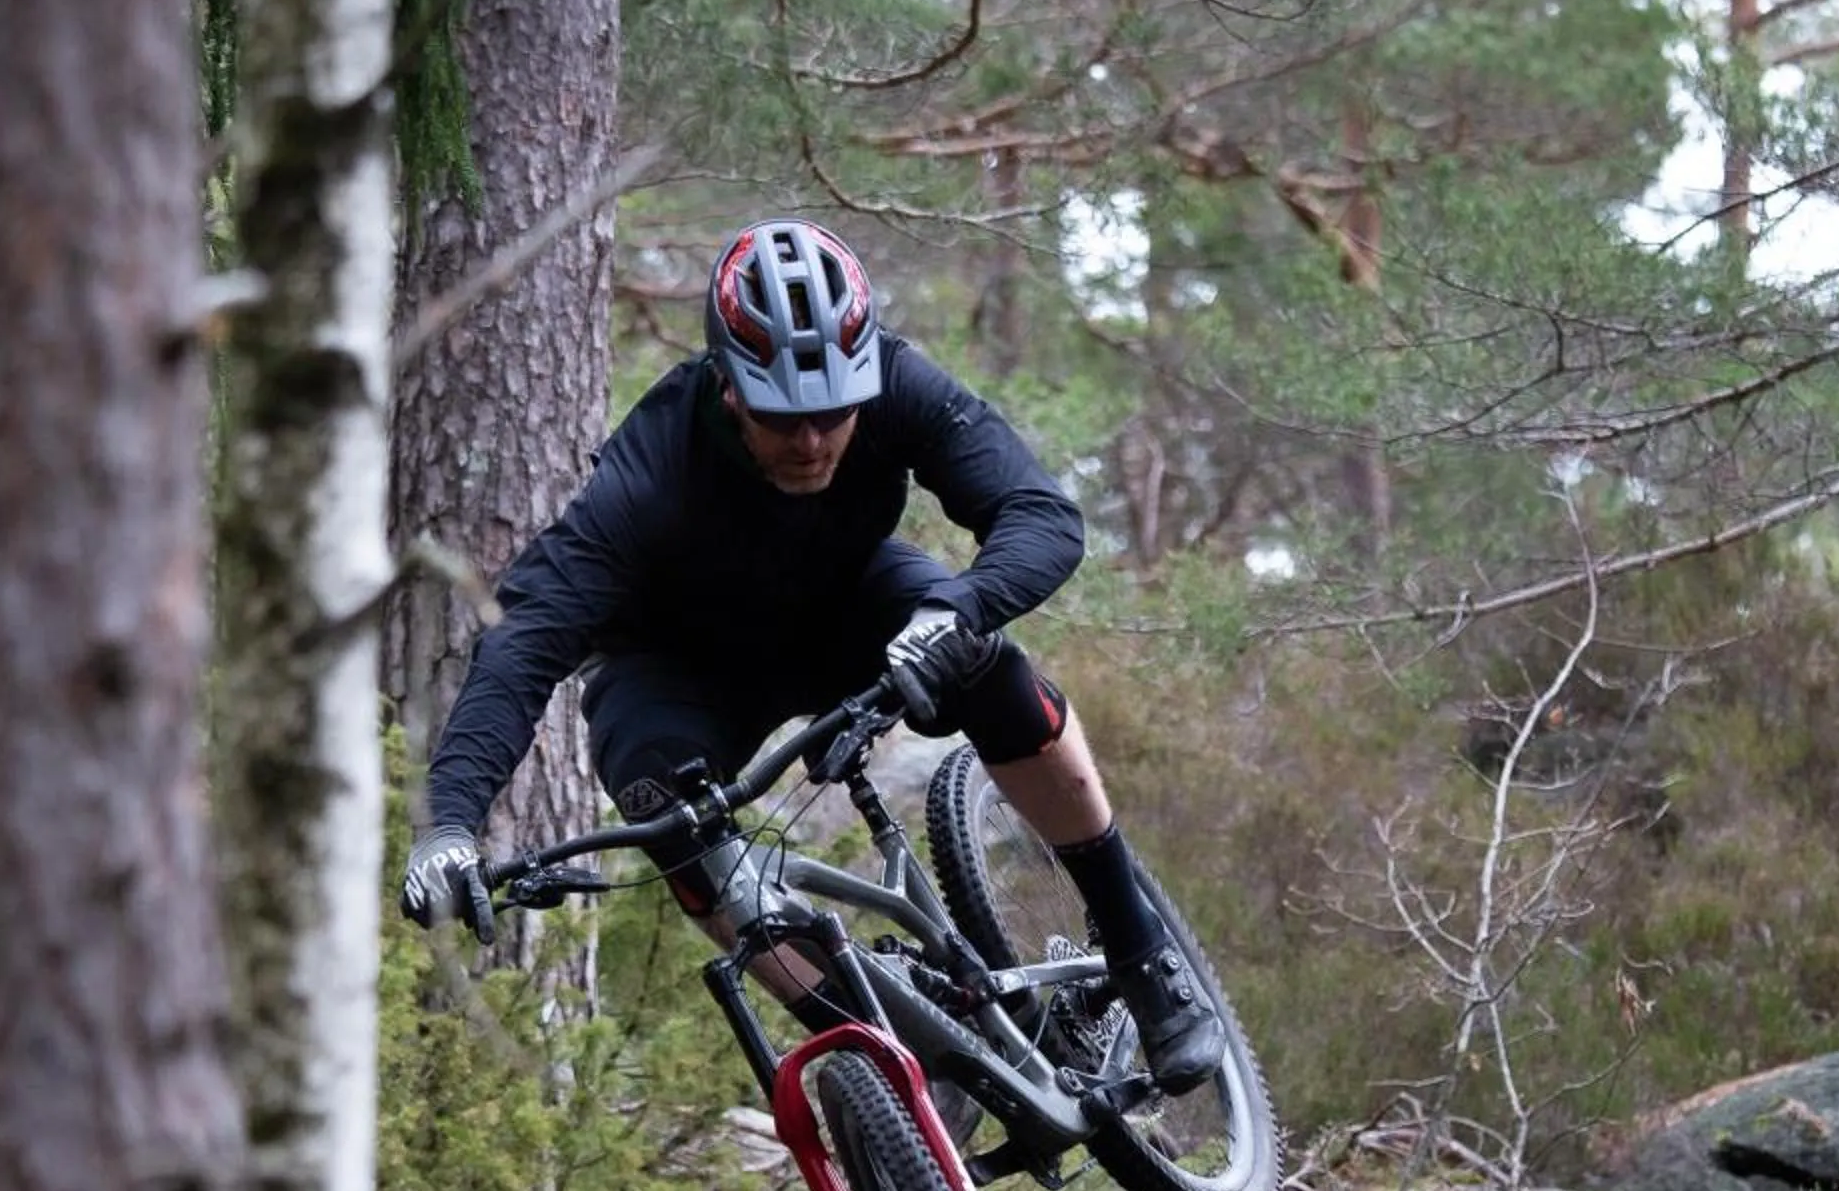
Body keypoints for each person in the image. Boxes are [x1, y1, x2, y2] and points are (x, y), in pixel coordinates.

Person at [399, 216, 1224, 1096]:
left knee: (986, 660)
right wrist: (449, 826)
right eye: (783, 417)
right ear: (728, 388)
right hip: (680, 667)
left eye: (834, 413)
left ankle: (1139, 949)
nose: (812, 440)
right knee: (665, 809)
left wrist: (956, 609)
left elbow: (1040, 515)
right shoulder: (649, 469)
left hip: (848, 606)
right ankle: (879, 1051)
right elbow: (526, 641)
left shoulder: (899, 384)